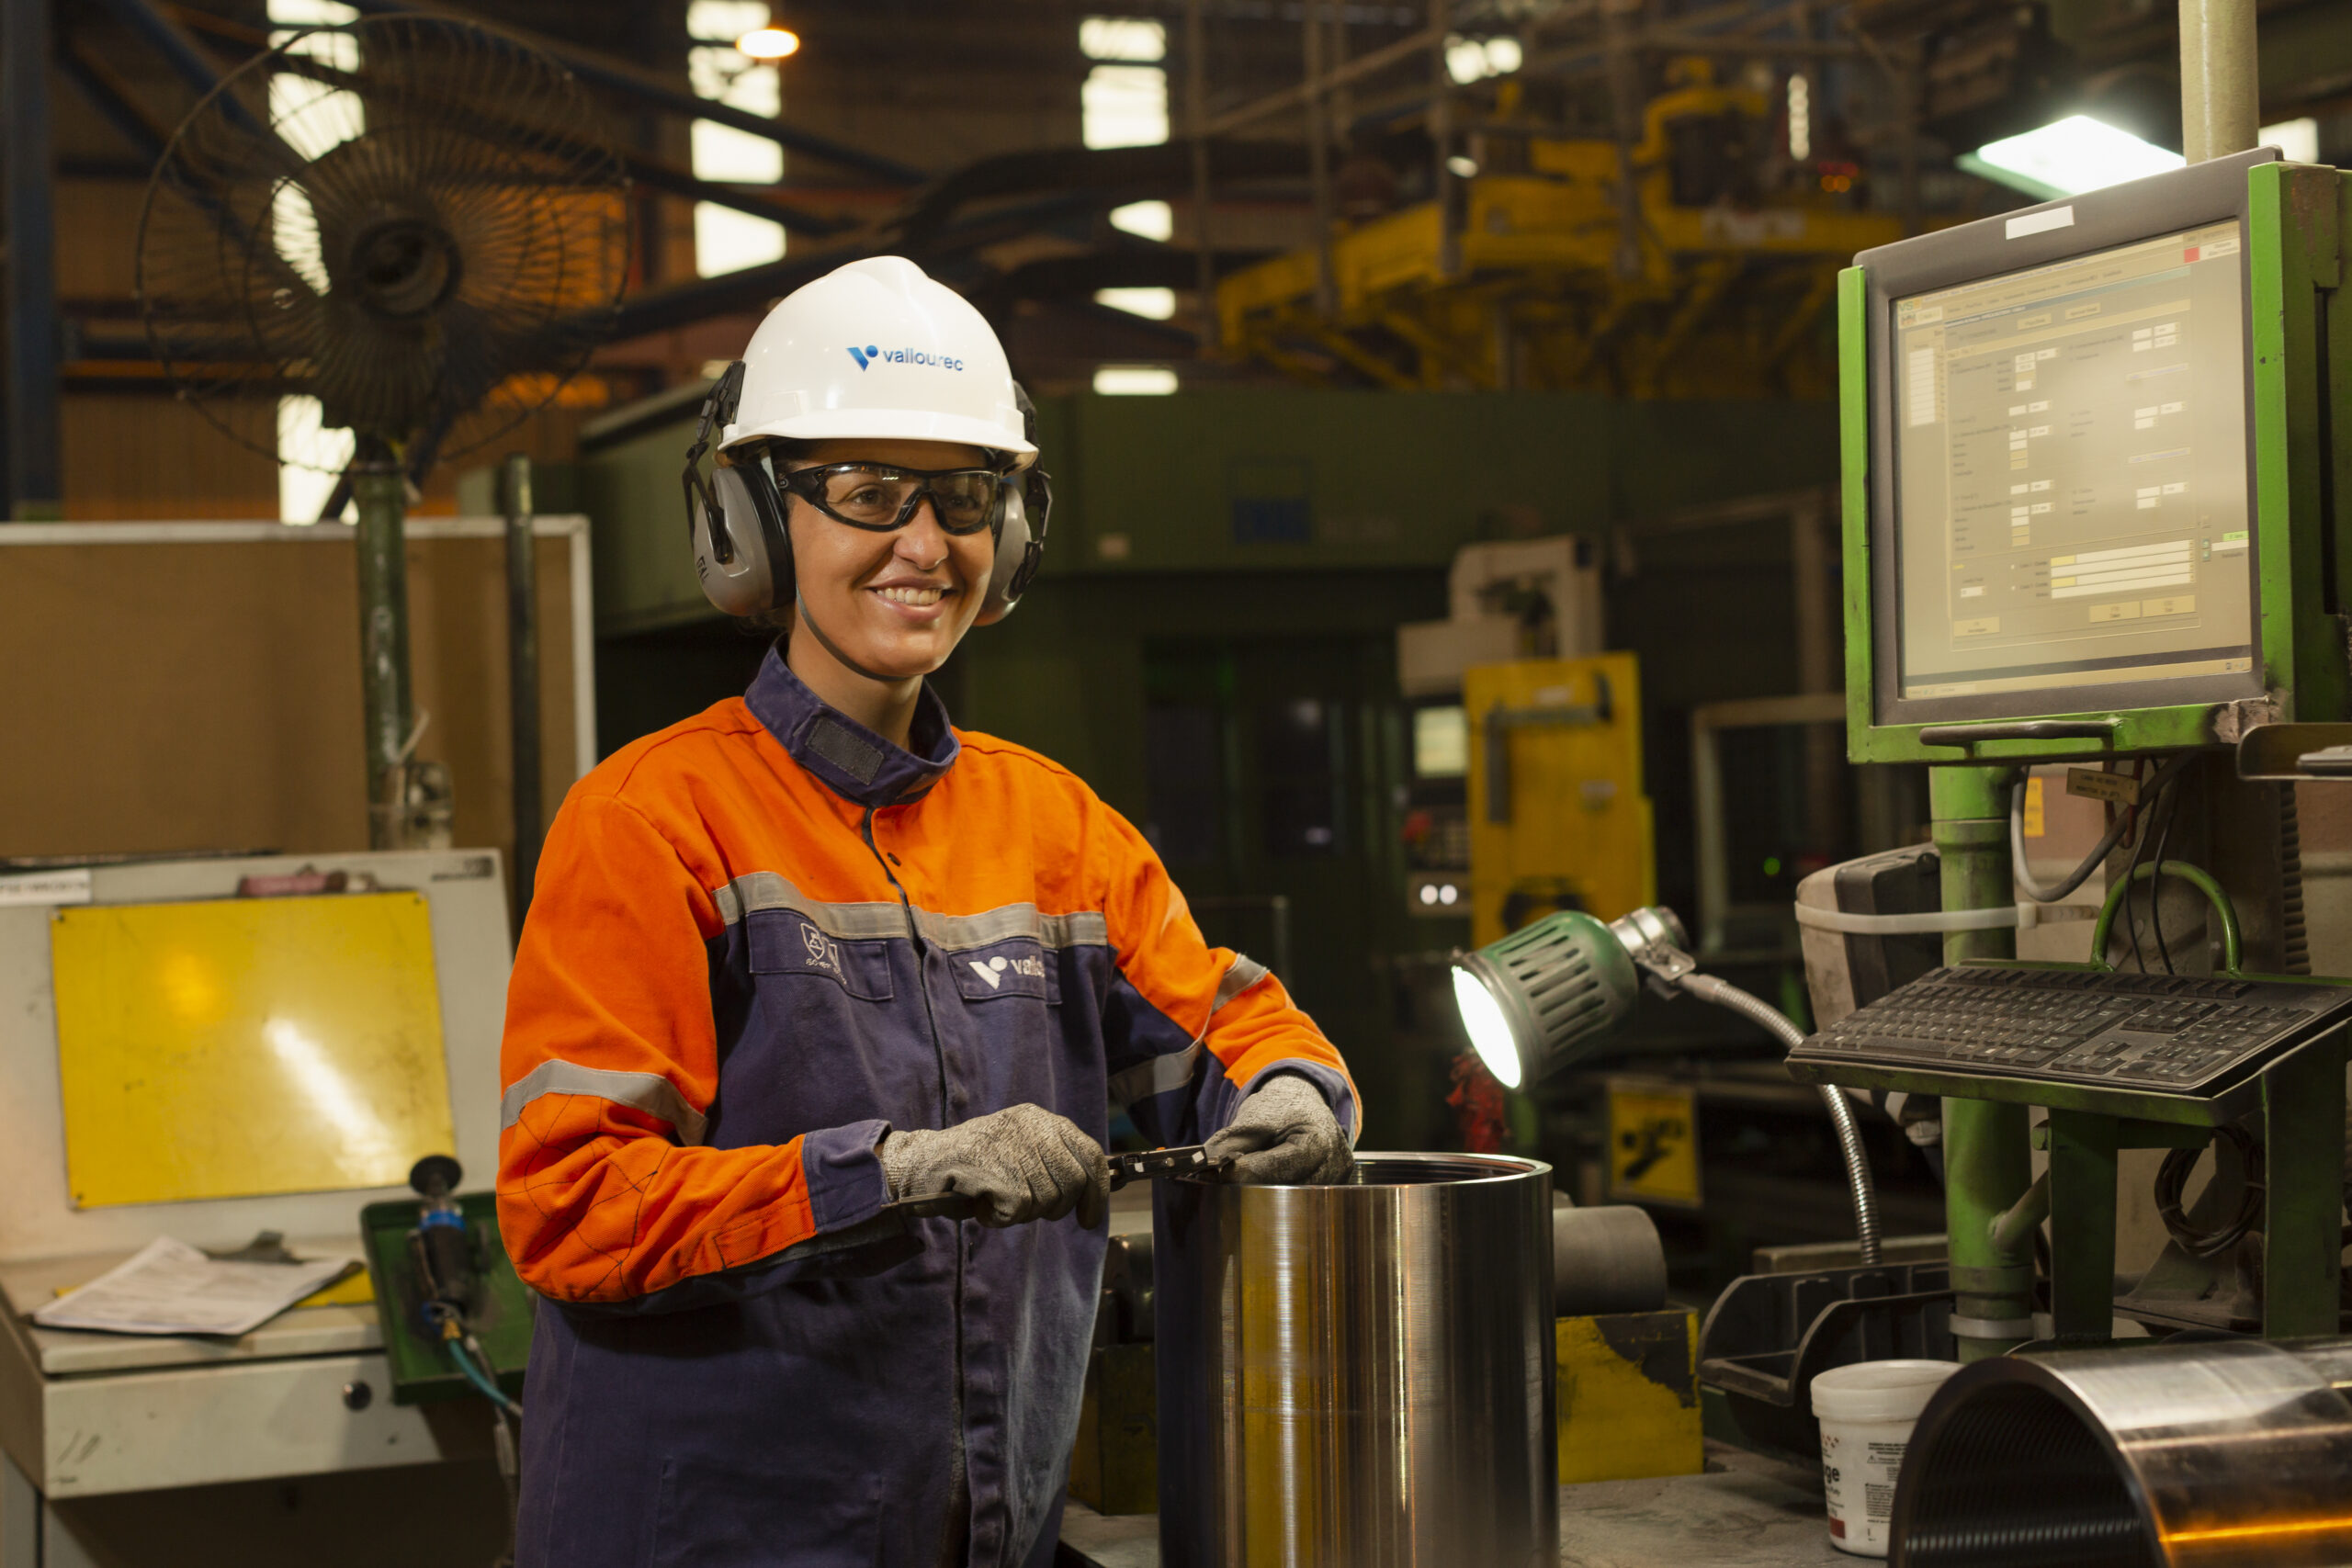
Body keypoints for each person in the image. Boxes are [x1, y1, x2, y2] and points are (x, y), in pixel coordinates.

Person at [496, 255, 1358, 1568]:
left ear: (1011, 535)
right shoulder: (653, 822)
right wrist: (885, 1175)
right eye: (864, 492)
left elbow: (1239, 1036)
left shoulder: (1057, 831)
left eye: (964, 496)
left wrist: (1296, 1093)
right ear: (751, 519)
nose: (924, 542)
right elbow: (572, 1207)